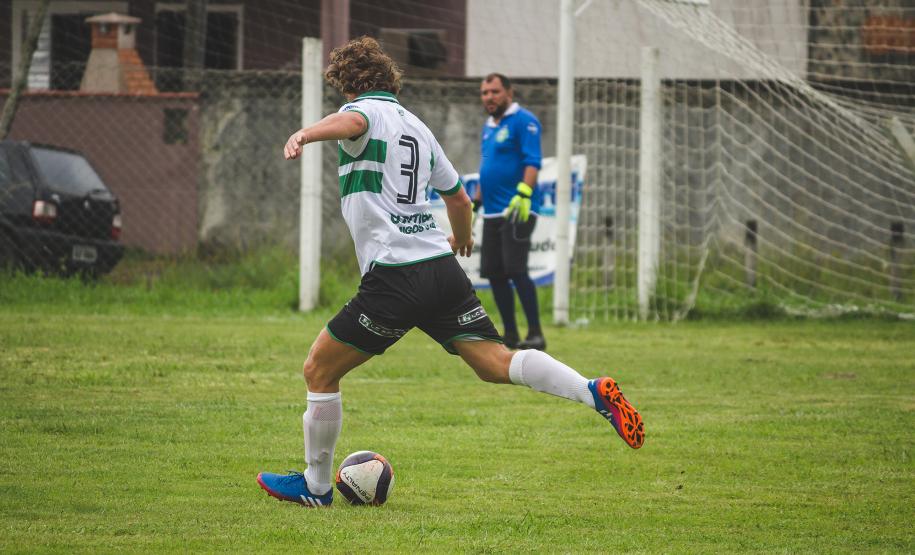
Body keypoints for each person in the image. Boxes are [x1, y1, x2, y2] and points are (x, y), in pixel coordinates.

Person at [256, 37, 644, 508]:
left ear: (349, 84)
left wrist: (307, 132)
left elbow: (352, 121)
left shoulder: (363, 113)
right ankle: (591, 391)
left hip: (395, 277)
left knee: (319, 369)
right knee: (494, 361)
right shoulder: (417, 126)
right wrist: (462, 238)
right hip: (440, 269)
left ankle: (316, 487)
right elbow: (458, 198)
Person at [477, 73, 546, 351]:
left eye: (494, 92)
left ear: (509, 92)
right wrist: (475, 202)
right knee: (494, 273)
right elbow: (487, 169)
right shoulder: (488, 126)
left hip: (517, 208)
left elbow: (533, 161)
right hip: (492, 212)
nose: (489, 97)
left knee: (516, 270)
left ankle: (536, 334)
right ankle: (510, 334)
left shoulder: (524, 121)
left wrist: (524, 193)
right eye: (484, 93)